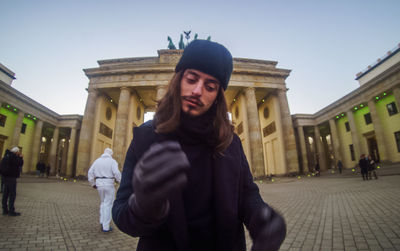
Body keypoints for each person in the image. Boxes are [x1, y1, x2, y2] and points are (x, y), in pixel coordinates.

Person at [112, 40, 286, 251]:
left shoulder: (230, 141)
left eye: (210, 86)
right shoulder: (147, 137)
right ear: (178, 80)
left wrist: (262, 219)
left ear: (217, 97)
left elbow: (247, 194)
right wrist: (144, 203)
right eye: (191, 79)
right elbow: (122, 216)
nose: (197, 90)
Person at [88, 148, 121, 232]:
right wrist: (120, 181)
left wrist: (93, 183)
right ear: (111, 154)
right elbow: (116, 173)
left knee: (103, 203)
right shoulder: (112, 161)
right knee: (108, 205)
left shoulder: (97, 161)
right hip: (109, 184)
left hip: (99, 184)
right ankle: (106, 227)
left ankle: (102, 221)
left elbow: (90, 172)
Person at [1, 147, 23, 216]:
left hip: (4, 177)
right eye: (18, 152)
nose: (19, 153)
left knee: (5, 194)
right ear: (16, 152)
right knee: (12, 194)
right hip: (11, 178)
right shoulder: (13, 157)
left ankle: (4, 210)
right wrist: (20, 158)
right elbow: (19, 164)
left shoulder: (5, 157)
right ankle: (11, 211)